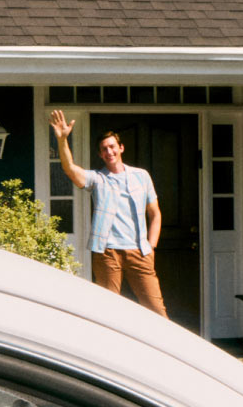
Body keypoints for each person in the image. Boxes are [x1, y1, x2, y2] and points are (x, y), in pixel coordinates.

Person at [49, 109, 168, 318]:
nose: (109, 151)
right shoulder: (97, 179)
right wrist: (62, 140)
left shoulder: (142, 177)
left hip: (139, 251)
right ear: (100, 154)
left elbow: (155, 214)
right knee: (108, 311)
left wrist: (151, 246)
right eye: (104, 149)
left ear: (121, 148)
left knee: (156, 311)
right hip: (107, 252)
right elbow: (69, 169)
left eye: (112, 146)